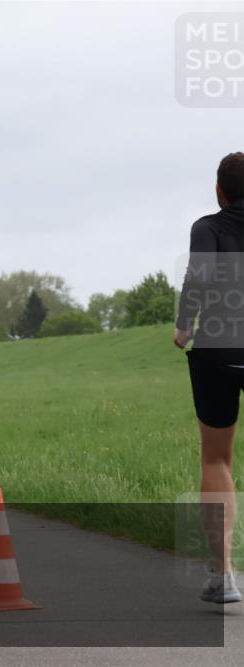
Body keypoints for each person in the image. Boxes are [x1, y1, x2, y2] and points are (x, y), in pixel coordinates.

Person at [175, 151, 244, 605]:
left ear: (219, 190)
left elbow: (197, 278)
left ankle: (224, 577)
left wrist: (185, 326)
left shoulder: (210, 226)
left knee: (217, 458)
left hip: (221, 349)